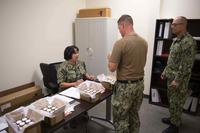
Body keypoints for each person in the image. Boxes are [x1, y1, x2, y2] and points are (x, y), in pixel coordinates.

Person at [108, 14, 148, 133]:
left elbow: (112, 68)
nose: (119, 31)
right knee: (134, 114)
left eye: (119, 28)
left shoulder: (120, 43)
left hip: (125, 87)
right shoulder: (144, 42)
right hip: (139, 84)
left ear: (123, 25)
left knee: (121, 118)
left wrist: (109, 58)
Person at [161, 16, 197, 133]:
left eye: (175, 24)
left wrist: (177, 80)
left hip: (178, 80)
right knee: (172, 101)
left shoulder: (189, 42)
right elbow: (172, 60)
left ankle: (175, 126)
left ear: (183, 25)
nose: (172, 26)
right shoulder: (176, 40)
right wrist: (165, 71)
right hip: (171, 76)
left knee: (177, 102)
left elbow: (186, 65)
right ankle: (173, 119)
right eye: (172, 24)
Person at [57, 45, 94, 128]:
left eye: (78, 52)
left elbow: (84, 74)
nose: (77, 55)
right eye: (75, 53)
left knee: (89, 98)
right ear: (69, 54)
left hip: (79, 89)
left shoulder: (81, 63)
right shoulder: (63, 66)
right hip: (67, 91)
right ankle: (72, 118)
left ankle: (81, 113)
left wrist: (88, 76)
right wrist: (74, 84)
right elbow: (61, 83)